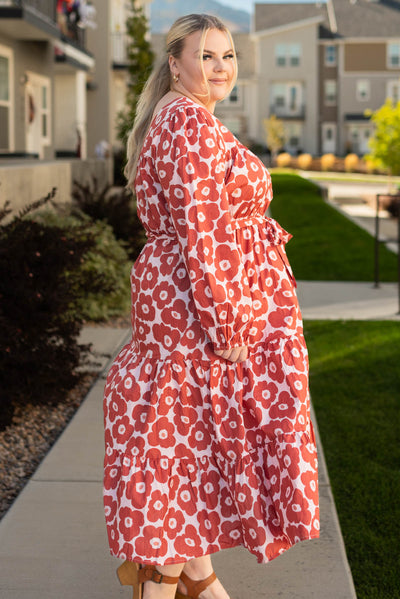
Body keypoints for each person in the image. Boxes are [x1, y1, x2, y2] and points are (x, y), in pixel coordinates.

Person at [103, 13, 319, 599]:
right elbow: (204, 229)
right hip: (201, 311)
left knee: (185, 441)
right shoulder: (190, 126)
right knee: (189, 443)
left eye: (227, 56)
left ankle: (196, 581)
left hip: (179, 299)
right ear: (176, 63)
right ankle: (157, 580)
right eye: (206, 56)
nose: (219, 67)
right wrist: (229, 321)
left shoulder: (179, 119)